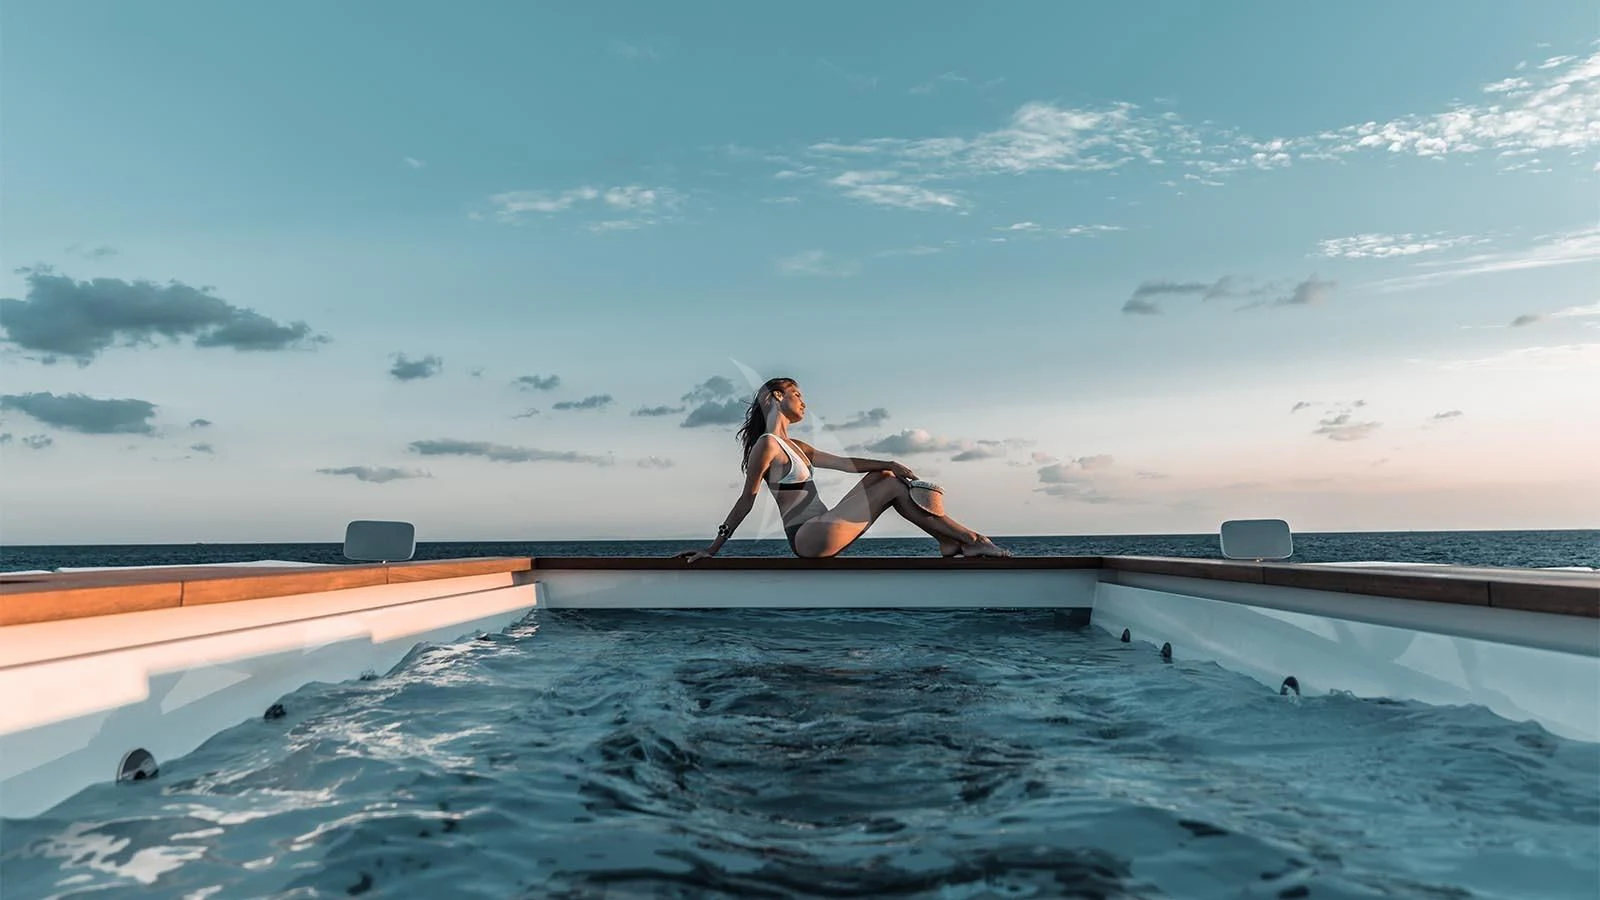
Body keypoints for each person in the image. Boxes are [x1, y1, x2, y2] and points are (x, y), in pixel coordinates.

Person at [674, 377, 1012, 562]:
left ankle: (950, 542)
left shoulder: (798, 447)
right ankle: (972, 539)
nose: (804, 402)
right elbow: (747, 499)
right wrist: (713, 549)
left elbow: (847, 465)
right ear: (777, 396)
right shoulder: (767, 445)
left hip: (823, 527)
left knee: (885, 477)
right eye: (797, 394)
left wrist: (890, 462)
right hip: (808, 536)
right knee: (890, 485)